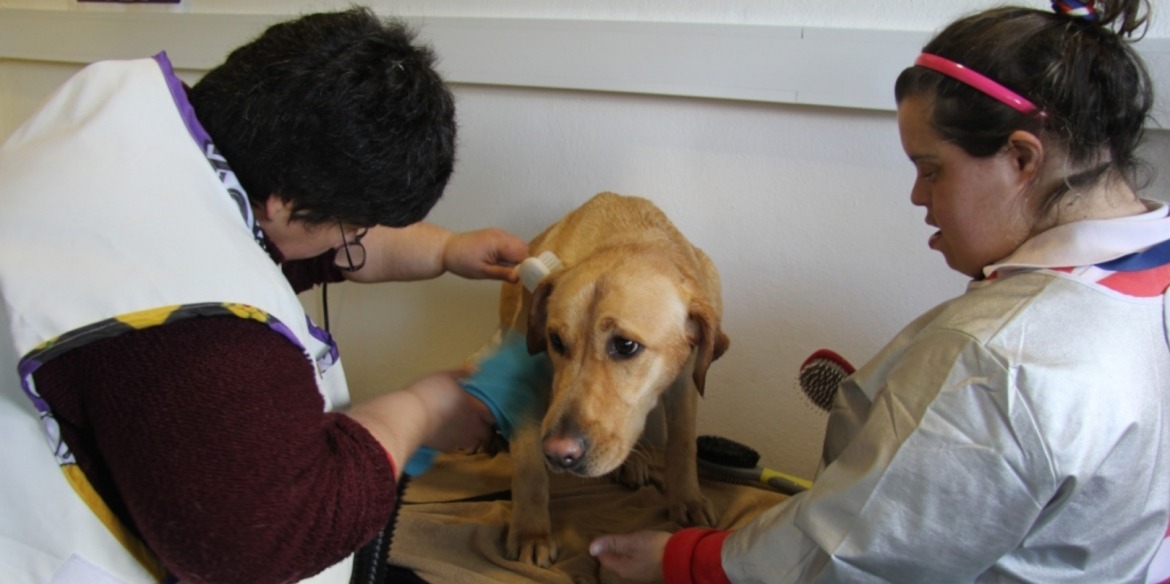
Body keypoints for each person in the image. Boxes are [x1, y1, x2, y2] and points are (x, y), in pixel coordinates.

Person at [590, 0, 1170, 582]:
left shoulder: (995, 359)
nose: (919, 197)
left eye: (932, 169)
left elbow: (856, 558)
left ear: (1020, 157)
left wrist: (682, 561)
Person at [0, 7, 530, 584]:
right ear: (283, 202)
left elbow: (283, 237)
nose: (356, 242)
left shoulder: (129, 131)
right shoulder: (193, 339)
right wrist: (423, 409)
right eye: (354, 227)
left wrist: (446, 250)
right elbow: (269, 541)